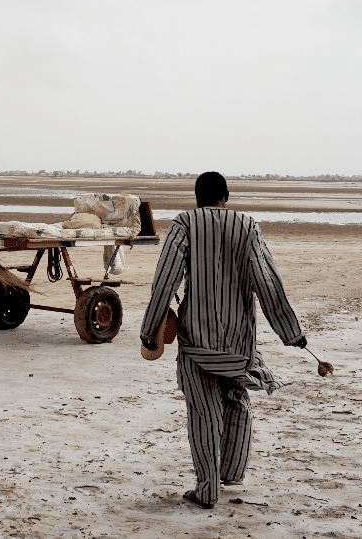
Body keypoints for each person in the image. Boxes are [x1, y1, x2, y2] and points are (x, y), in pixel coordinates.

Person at [139, 171, 306, 510]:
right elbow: (268, 281)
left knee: (203, 411)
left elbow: (165, 280)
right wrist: (292, 333)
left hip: (196, 341)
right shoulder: (247, 225)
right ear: (225, 196)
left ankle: (207, 489)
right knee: (236, 398)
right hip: (238, 342)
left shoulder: (185, 224)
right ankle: (231, 471)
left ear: (197, 197)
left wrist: (150, 326)